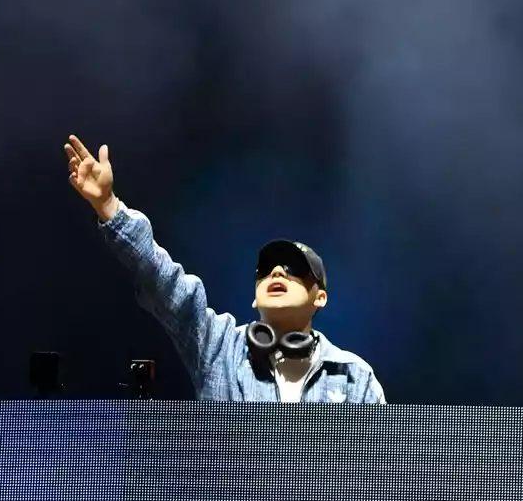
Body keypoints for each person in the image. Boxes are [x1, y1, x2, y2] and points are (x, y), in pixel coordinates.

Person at [63, 135, 386, 404]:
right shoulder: (218, 347)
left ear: (321, 297)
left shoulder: (352, 377)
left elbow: (379, 468)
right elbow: (164, 282)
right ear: (254, 301)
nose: (277, 272)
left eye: (294, 269)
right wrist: (108, 206)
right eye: (266, 269)